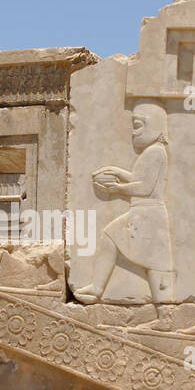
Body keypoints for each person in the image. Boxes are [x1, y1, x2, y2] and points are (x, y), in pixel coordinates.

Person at [75, 102, 173, 308]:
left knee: (113, 237)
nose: (132, 132)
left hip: (146, 214)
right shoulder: (154, 152)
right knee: (157, 264)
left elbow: (144, 188)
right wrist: (117, 171)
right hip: (147, 214)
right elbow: (139, 178)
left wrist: (116, 189)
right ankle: (165, 315)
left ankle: (98, 288)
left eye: (137, 125)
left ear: (154, 126)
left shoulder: (155, 152)